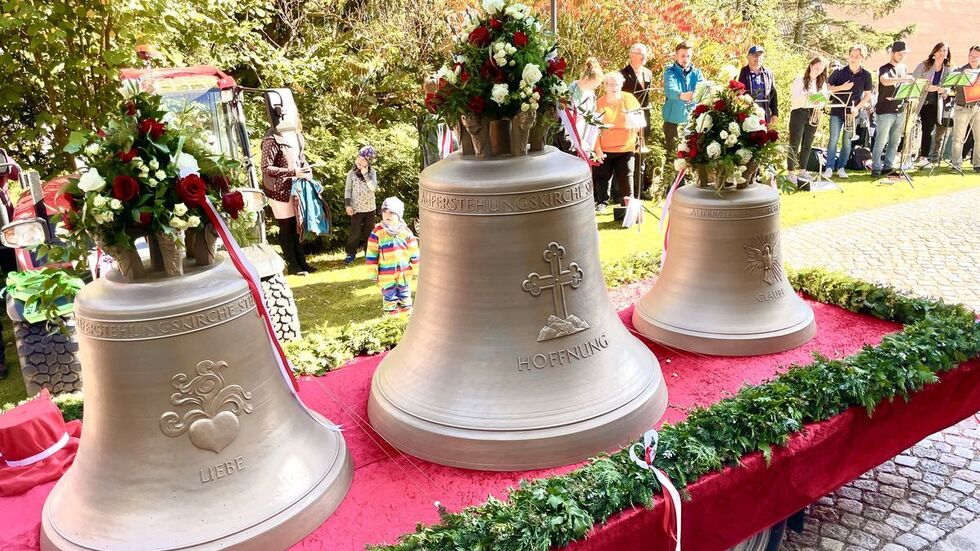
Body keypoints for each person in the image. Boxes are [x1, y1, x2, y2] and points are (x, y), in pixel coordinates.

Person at [261, 121, 314, 276]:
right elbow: (266, 168)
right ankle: (293, 265)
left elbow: (301, 158)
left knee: (296, 225)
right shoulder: (271, 139)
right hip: (278, 189)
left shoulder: (296, 136)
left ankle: (302, 262)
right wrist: (293, 172)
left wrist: (307, 170)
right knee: (286, 226)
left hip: (295, 187)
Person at [824, 44, 874, 179]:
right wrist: (843, 87)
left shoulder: (866, 75)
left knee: (846, 141)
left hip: (852, 113)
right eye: (851, 56)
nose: (853, 59)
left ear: (862, 58)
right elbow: (827, 88)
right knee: (833, 139)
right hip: (836, 111)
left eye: (856, 57)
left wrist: (857, 108)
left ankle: (841, 167)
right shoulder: (839, 72)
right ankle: (829, 167)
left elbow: (868, 95)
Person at [593, 72, 641, 210]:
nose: (615, 87)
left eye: (617, 84)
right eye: (611, 84)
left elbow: (638, 121)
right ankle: (602, 202)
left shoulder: (629, 99)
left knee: (627, 175)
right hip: (605, 148)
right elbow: (594, 129)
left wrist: (635, 123)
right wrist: (598, 149)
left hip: (626, 147)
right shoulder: (600, 102)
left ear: (622, 85)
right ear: (606, 86)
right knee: (602, 177)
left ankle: (628, 204)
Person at [365, 197, 419, 315]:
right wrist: (372, 272)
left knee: (405, 292)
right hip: (386, 273)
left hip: (404, 271)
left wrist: (416, 266)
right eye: (384, 212)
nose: (387, 215)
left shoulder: (405, 232)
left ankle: (406, 311)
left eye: (391, 212)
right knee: (389, 294)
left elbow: (414, 251)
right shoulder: (377, 232)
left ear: (399, 215)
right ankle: (391, 314)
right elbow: (371, 254)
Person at [662, 40, 703, 186]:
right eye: (683, 56)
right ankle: (669, 187)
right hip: (673, 121)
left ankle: (694, 184)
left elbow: (703, 89)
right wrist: (681, 95)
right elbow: (670, 90)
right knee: (673, 155)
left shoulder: (697, 73)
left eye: (688, 56)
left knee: (692, 154)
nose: (685, 59)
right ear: (676, 56)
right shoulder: (670, 72)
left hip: (691, 121)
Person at [871, 41, 915, 177]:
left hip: (899, 110)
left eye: (904, 54)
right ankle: (876, 167)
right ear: (892, 53)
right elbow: (884, 80)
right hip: (885, 110)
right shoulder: (885, 68)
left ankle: (888, 166)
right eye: (899, 53)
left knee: (895, 141)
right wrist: (904, 79)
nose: (901, 56)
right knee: (881, 140)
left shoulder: (904, 67)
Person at [787, 56, 829, 184]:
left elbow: (823, 100)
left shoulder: (822, 83)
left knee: (808, 143)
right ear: (811, 66)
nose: (818, 71)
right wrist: (811, 97)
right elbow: (796, 98)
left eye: (821, 69)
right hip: (799, 112)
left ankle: (803, 170)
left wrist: (813, 97)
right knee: (795, 142)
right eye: (816, 68)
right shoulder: (800, 79)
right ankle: (790, 172)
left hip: (814, 113)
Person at [912, 42, 953, 165]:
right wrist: (928, 87)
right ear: (934, 52)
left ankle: (923, 157)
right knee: (908, 128)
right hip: (918, 100)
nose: (942, 53)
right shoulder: (924, 65)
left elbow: (951, 86)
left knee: (927, 130)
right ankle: (900, 154)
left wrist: (945, 90)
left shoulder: (948, 69)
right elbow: (914, 80)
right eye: (940, 50)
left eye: (945, 51)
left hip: (934, 103)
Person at [562, 57, 604, 160]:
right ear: (587, 79)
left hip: (585, 135)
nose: (594, 87)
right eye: (594, 84)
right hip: (570, 134)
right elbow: (565, 114)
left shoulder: (591, 94)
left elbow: (591, 113)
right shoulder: (571, 90)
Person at [344, 146, 378, 265]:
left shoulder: (372, 172)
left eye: (363, 159)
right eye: (358, 158)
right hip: (356, 209)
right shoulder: (351, 173)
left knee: (369, 232)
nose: (359, 161)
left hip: (369, 208)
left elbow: (373, 187)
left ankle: (369, 253)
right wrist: (348, 205)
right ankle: (350, 253)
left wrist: (366, 175)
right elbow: (348, 190)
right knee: (355, 232)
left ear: (369, 161)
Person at [950, 45, 980, 172]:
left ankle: (977, 164)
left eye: (976, 56)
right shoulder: (959, 70)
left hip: (978, 108)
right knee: (958, 138)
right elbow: (950, 86)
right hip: (962, 108)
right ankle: (956, 164)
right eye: (970, 55)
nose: (972, 58)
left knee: (979, 138)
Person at [738, 45, 779, 126]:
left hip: (764, 115)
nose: (758, 58)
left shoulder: (768, 73)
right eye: (755, 55)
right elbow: (737, 94)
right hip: (748, 115)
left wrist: (775, 113)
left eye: (760, 55)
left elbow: (773, 95)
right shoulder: (742, 73)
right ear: (748, 57)